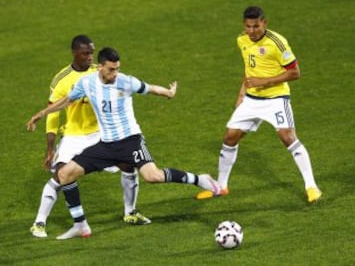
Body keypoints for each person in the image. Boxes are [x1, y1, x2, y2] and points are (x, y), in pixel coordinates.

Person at [27, 46, 221, 236]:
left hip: (131, 141)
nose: (115, 73)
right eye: (111, 69)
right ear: (101, 67)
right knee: (65, 173)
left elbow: (150, 88)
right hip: (106, 145)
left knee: (153, 177)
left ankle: (200, 179)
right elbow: (67, 100)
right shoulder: (87, 83)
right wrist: (41, 114)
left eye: (118, 68)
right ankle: (81, 225)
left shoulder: (125, 82)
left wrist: (168, 93)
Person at [195, 6, 322, 203]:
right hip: (252, 100)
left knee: (287, 136)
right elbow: (248, 69)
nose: (252, 31)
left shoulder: (277, 43)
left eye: (256, 26)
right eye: (248, 26)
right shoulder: (242, 40)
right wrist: (241, 94)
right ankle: (221, 187)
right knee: (230, 136)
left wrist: (265, 82)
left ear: (264, 23)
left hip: (276, 99)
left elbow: (295, 73)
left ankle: (311, 186)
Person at [30, 36, 150, 241]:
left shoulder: (101, 71)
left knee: (128, 164)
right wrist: (50, 148)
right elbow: (53, 113)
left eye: (92, 53)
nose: (89, 57)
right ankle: (39, 222)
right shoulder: (62, 79)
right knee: (60, 175)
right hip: (73, 135)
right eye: (86, 53)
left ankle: (130, 212)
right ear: (74, 53)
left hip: (100, 134)